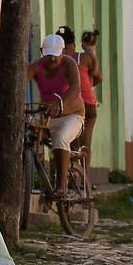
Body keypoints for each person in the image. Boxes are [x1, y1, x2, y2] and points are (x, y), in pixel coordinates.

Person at [29, 32, 85, 181]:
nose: (52, 59)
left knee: (61, 137)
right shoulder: (36, 65)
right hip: (47, 118)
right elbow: (19, 80)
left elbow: (76, 87)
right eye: (48, 55)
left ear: (63, 52)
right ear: (41, 52)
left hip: (72, 117)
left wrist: (59, 103)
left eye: (55, 55)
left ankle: (60, 187)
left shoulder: (69, 63)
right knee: (18, 129)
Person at [76, 28, 103, 156]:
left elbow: (96, 63)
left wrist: (94, 71)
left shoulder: (87, 55)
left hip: (83, 100)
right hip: (89, 100)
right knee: (87, 142)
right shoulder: (89, 54)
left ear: (82, 43)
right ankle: (85, 168)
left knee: (79, 139)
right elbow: (99, 78)